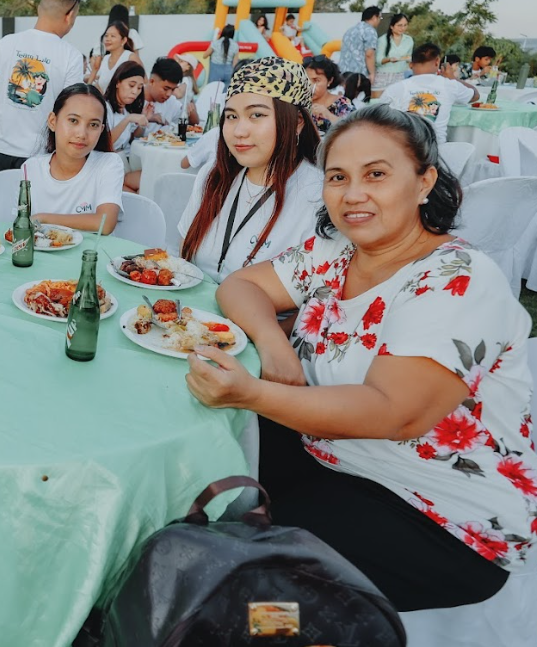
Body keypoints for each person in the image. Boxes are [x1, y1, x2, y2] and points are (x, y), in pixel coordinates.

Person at [187, 105, 535, 612]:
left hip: (440, 515)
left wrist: (255, 393)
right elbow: (240, 286)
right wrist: (273, 343)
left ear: (424, 182)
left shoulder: (457, 279)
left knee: (244, 588)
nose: (352, 194)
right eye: (338, 177)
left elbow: (393, 412)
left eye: (376, 174)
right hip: (331, 455)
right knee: (192, 475)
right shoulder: (336, 251)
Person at [177, 57, 323, 283]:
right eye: (231, 116)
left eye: (256, 115)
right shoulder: (213, 177)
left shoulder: (318, 196)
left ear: (297, 122)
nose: (239, 131)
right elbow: (182, 260)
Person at [0, 0, 85, 178]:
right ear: (70, 16)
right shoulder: (71, 56)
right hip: (40, 156)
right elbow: (72, 109)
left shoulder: (7, 43)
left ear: (39, 8)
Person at [21, 83, 122, 234]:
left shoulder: (108, 164)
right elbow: (21, 226)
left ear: (101, 130)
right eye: (73, 121)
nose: (82, 134)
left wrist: (43, 218)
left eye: (93, 125)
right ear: (53, 121)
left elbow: (105, 223)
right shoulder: (31, 168)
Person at [121, 58, 201, 193]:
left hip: (164, 160)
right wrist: (146, 120)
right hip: (137, 160)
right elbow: (128, 138)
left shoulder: (171, 102)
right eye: (166, 89)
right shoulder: (133, 99)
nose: (169, 94)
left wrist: (192, 112)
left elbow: (193, 124)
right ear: (152, 81)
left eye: (173, 89)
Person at [381, 43, 477, 143]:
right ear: (437, 62)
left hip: (404, 147)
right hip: (436, 148)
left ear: (410, 65)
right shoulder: (449, 85)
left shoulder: (395, 89)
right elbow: (475, 95)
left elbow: (379, 118)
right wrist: (452, 78)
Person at [102, 60, 150, 154]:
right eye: (131, 85)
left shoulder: (125, 109)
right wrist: (128, 119)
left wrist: (144, 120)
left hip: (124, 155)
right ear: (118, 83)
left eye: (139, 88)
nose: (135, 92)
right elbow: (105, 143)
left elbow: (133, 137)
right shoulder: (105, 108)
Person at [304, 55, 355, 133]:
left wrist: (328, 115)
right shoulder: (298, 103)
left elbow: (354, 130)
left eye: (316, 80)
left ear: (330, 80)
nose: (309, 86)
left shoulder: (342, 104)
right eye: (306, 80)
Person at [86, 21, 141, 92]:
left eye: (113, 36)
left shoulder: (130, 57)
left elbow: (142, 82)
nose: (108, 39)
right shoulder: (105, 59)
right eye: (106, 36)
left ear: (123, 40)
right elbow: (100, 84)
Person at [339, 6, 382, 80]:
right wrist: (372, 73)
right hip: (359, 73)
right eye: (380, 18)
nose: (380, 21)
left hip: (343, 72)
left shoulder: (350, 30)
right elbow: (369, 54)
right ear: (374, 17)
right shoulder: (370, 31)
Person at [374, 13, 413, 94]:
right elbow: (378, 60)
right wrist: (389, 59)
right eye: (399, 25)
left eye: (405, 25)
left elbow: (409, 58)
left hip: (401, 75)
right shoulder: (382, 40)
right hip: (383, 76)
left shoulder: (409, 40)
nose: (403, 28)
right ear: (392, 26)